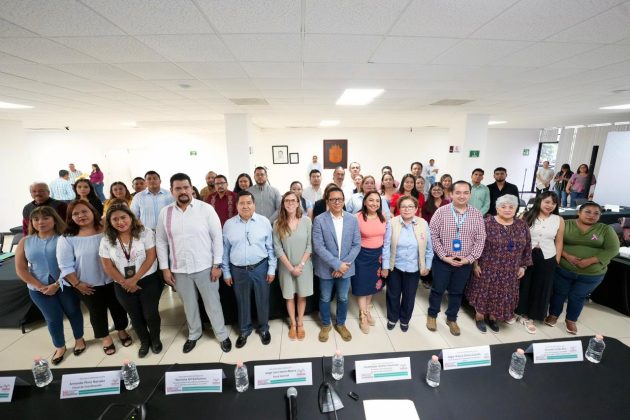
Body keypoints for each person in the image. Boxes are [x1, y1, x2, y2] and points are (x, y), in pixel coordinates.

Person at [156, 173, 231, 353]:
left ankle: (221, 335)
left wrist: (217, 264)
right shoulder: (165, 213)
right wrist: (165, 269)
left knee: (213, 304)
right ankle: (194, 333)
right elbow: (161, 241)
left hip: (206, 267)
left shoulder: (205, 209)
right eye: (178, 188)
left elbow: (217, 238)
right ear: (172, 191)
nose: (183, 191)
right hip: (179, 269)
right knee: (189, 305)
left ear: (191, 188)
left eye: (186, 187)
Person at [57, 200, 131, 355]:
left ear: (92, 211)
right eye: (75, 214)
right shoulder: (67, 238)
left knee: (118, 307)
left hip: (114, 279)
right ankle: (105, 338)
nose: (81, 216)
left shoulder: (107, 230)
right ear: (70, 217)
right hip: (87, 284)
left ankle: (122, 330)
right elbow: (65, 266)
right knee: (96, 312)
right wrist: (77, 284)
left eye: (84, 211)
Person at [15, 207, 84, 365]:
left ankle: (79, 340)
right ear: (31, 222)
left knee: (73, 311)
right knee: (52, 318)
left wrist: (57, 284)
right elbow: (21, 269)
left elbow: (73, 264)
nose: (41, 222)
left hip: (66, 284)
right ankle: (60, 347)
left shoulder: (65, 238)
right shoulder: (25, 241)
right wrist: (40, 286)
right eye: (36, 219)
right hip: (38, 289)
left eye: (46, 218)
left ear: (54, 219)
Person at [546, 201, 619, 334]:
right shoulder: (566, 224)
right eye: (588, 212)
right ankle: (553, 315)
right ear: (578, 212)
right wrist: (567, 256)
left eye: (596, 213)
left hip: (591, 274)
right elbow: (554, 241)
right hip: (564, 269)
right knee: (559, 293)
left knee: (577, 296)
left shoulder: (605, 229)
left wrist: (590, 261)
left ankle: (571, 320)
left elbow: (613, 249)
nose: (592, 215)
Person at [100, 204, 163, 357]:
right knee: (135, 315)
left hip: (148, 280)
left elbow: (151, 257)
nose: (120, 222)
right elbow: (107, 266)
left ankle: (155, 339)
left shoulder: (145, 232)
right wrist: (125, 282)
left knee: (150, 313)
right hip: (122, 284)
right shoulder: (106, 239)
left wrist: (134, 279)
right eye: (115, 219)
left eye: (123, 217)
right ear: (110, 222)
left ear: (131, 217)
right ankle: (144, 341)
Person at [466, 195, 532, 334]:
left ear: (516, 209)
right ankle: (479, 316)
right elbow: (475, 244)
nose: (507, 209)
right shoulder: (486, 223)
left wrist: (523, 266)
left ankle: (493, 317)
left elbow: (527, 247)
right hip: (488, 267)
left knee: (502, 294)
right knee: (484, 292)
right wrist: (475, 264)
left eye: (511, 207)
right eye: (503, 206)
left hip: (511, 269)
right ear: (497, 208)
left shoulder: (522, 225)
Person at [427, 181, 486, 336]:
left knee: (457, 292)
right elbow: (432, 235)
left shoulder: (476, 214)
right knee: (437, 289)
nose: (462, 196)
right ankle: (432, 315)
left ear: (470, 194)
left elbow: (481, 239)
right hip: (443, 260)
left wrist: (470, 259)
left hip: (464, 262)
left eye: (465, 192)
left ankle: (451, 318)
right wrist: (444, 256)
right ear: (451, 194)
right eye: (458, 192)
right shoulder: (441, 212)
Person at [222, 191, 277, 348]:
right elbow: (225, 251)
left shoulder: (264, 222)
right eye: (242, 203)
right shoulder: (229, 224)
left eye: (249, 203)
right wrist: (226, 272)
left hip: (261, 267)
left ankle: (264, 328)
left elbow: (271, 248)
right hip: (238, 270)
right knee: (242, 301)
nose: (245, 206)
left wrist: (271, 269)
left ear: (254, 205)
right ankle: (244, 330)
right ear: (237, 205)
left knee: (262, 299)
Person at [312, 187, 361, 342]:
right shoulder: (319, 220)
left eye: (339, 199)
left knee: (343, 297)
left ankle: (341, 324)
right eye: (333, 199)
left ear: (344, 200)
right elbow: (318, 246)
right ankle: (326, 324)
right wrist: (337, 265)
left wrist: (343, 266)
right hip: (326, 268)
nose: (337, 202)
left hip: (346, 268)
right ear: (327, 201)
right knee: (325, 297)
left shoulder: (352, 219)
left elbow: (356, 245)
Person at [382, 196, 433, 332]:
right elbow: (386, 246)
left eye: (410, 206)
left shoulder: (423, 223)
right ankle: (392, 318)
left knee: (409, 296)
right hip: (395, 266)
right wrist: (385, 267)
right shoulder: (392, 223)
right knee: (393, 294)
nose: (407, 209)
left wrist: (427, 266)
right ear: (399, 208)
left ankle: (405, 319)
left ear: (416, 209)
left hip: (413, 268)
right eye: (403, 206)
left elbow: (429, 248)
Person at [516, 192, 564, 334]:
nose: (550, 205)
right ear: (539, 201)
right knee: (523, 283)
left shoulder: (558, 219)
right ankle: (519, 312)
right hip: (526, 254)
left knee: (541, 286)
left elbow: (559, 240)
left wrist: (557, 259)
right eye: (547, 202)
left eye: (553, 203)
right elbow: (518, 238)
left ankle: (532, 315)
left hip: (547, 256)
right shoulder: (526, 215)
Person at [273, 192, 313, 341]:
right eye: (287, 201)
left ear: (298, 203)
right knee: (289, 296)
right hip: (286, 267)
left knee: (302, 295)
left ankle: (300, 322)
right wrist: (291, 268)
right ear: (283, 204)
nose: (290, 203)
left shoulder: (307, 221)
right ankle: (293, 324)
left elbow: (310, 246)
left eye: (293, 200)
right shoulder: (277, 223)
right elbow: (277, 248)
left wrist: (300, 265)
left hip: (304, 266)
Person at [351, 191, 388, 334]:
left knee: (372, 284)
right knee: (362, 285)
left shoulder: (383, 216)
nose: (374, 203)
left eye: (377, 201)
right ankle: (363, 315)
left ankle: (367, 309)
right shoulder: (357, 217)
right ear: (365, 202)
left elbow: (386, 238)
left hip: (377, 256)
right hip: (361, 256)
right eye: (371, 200)